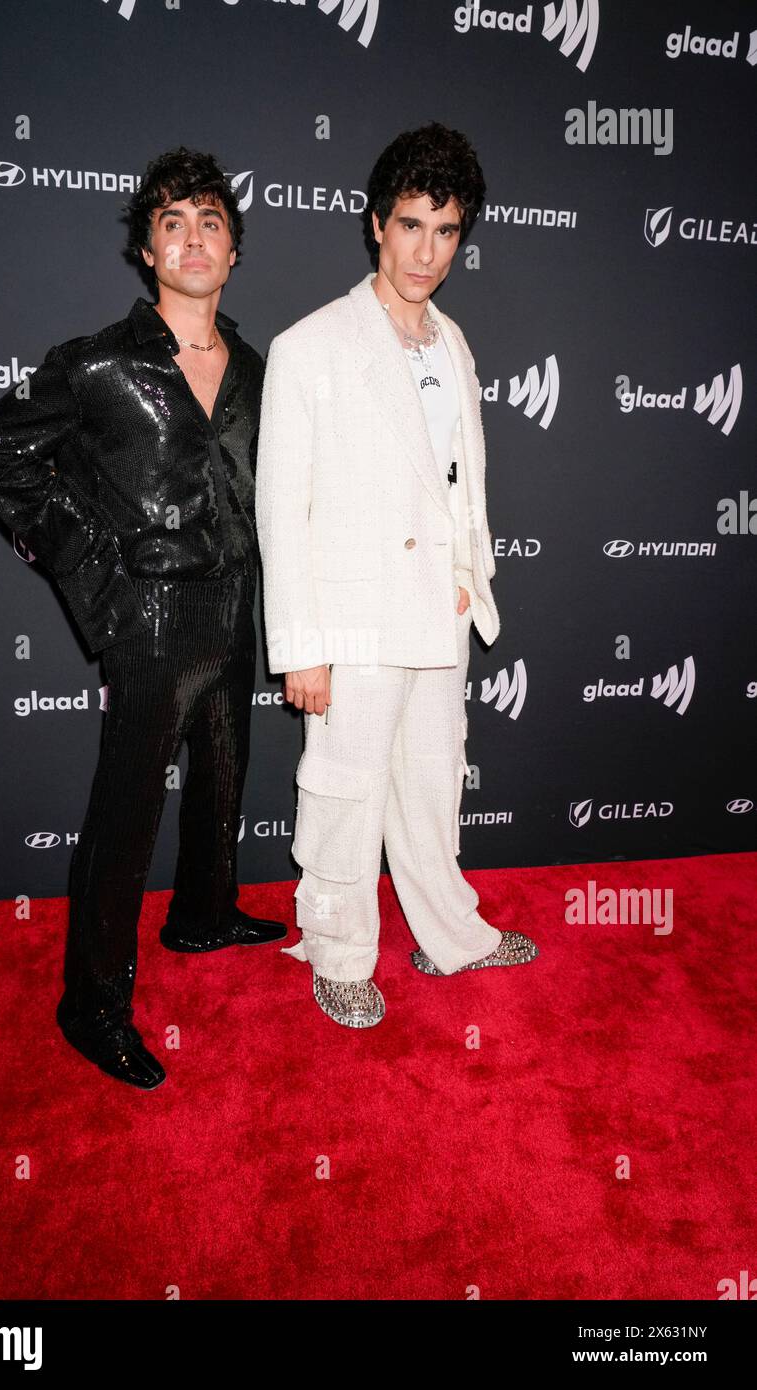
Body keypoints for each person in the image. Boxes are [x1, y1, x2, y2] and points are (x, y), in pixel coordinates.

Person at [0, 146, 286, 1089]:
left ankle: (203, 914)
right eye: (173, 223)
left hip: (237, 606)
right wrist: (94, 568)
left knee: (225, 779)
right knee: (126, 816)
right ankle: (91, 1001)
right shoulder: (95, 361)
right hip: (147, 622)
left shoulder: (262, 370)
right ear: (147, 250)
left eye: (211, 224)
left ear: (232, 254)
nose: (193, 239)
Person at [255, 122, 538, 1029]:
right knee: (343, 789)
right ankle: (338, 952)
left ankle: (448, 932)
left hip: (438, 615)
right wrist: (301, 646)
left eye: (447, 231)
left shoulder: (453, 341)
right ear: (376, 224)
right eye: (411, 225)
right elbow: (281, 511)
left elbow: (457, 479)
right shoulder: (312, 344)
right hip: (354, 619)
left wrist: (467, 572)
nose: (427, 251)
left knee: (432, 779)